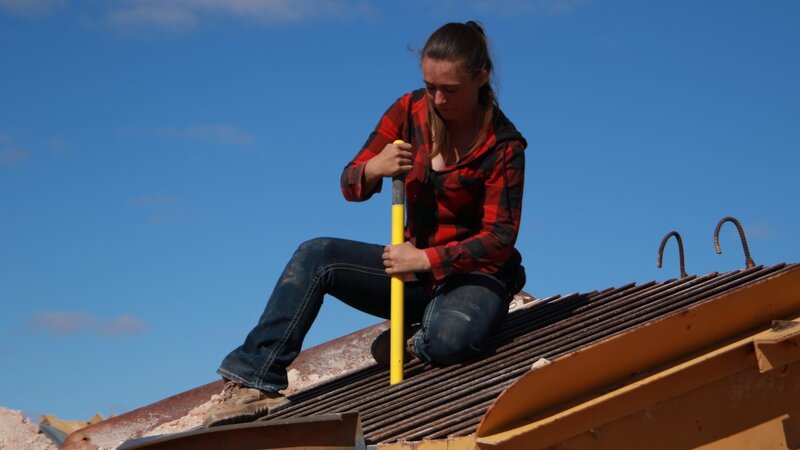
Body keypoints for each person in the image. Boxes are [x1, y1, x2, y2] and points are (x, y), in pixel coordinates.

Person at [203, 20, 527, 428]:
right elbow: (349, 184)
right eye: (430, 86)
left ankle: (414, 341)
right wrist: (374, 169)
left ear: (481, 78)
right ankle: (255, 380)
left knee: (451, 340)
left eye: (451, 89)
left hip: (474, 277)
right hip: (412, 273)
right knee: (315, 254)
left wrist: (426, 259)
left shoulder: (504, 145)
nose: (438, 98)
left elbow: (499, 238)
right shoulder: (409, 111)